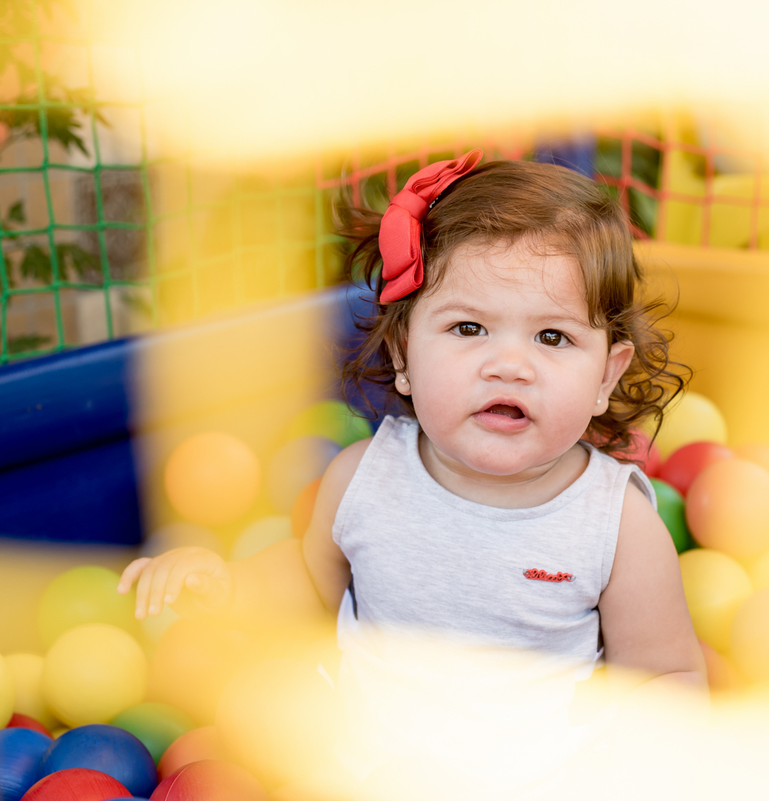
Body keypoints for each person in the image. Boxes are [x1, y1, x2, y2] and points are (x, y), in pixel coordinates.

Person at [118, 150, 707, 793]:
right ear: (403, 355)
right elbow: (310, 585)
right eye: (469, 327)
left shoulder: (617, 524)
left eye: (551, 338)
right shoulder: (363, 480)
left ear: (606, 377)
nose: (508, 365)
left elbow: (663, 675)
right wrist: (226, 586)